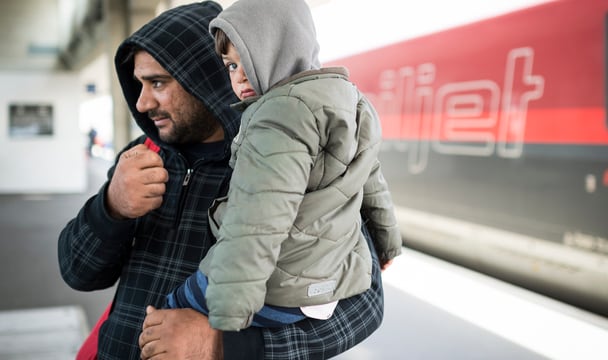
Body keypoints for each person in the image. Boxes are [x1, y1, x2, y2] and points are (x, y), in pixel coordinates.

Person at [58, 2, 393, 359]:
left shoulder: (292, 157)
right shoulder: (141, 155)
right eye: (139, 84)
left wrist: (221, 345)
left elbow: (363, 308)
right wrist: (111, 206)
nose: (141, 103)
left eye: (158, 83)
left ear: (203, 78)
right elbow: (78, 272)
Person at [165, 0, 402, 333]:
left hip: (279, 290)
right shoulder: (352, 100)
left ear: (281, 47)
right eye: (230, 66)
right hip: (330, 282)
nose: (240, 75)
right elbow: (373, 184)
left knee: (166, 313)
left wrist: (227, 319)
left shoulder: (278, 115)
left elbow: (257, 221)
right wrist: (388, 244)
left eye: (247, 57)